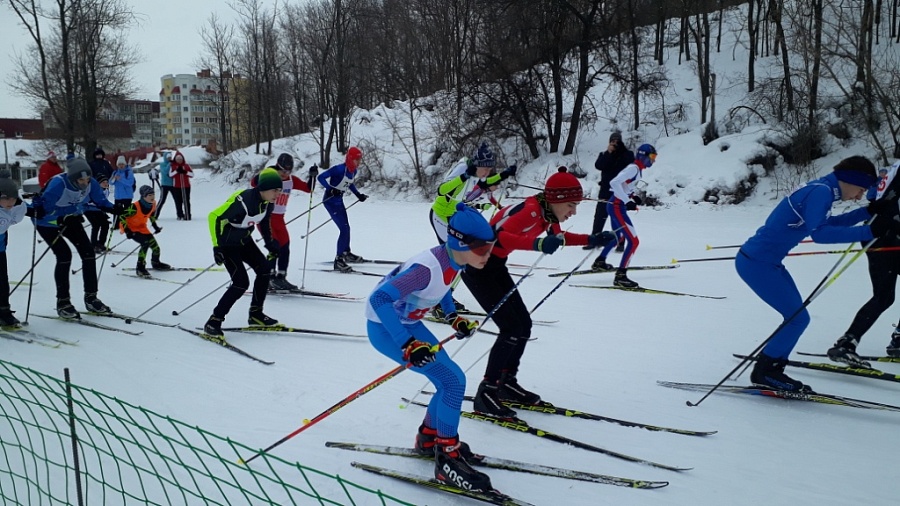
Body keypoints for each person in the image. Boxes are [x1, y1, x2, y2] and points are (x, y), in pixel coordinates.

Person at [462, 168, 614, 418]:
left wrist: (592, 238)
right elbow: (501, 237)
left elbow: (559, 237)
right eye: (572, 205)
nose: (573, 211)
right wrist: (538, 244)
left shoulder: (547, 212)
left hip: (494, 265)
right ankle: (486, 392)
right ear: (556, 199)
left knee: (523, 324)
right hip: (476, 267)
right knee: (510, 328)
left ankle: (506, 382)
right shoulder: (531, 210)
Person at [366, 203, 494, 492]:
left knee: (447, 380)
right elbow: (379, 300)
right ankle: (447, 458)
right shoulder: (426, 269)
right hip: (387, 328)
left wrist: (452, 317)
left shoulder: (455, 260)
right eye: (482, 249)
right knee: (453, 380)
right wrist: (408, 344)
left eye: (490, 248)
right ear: (461, 243)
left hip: (408, 323)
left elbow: (444, 289)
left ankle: (429, 438)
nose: (487, 254)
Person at [736, 156, 884, 392]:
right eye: (861, 189)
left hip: (765, 262)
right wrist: (869, 231)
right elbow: (820, 234)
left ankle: (770, 369)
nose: (859, 196)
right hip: (757, 264)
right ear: (850, 180)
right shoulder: (821, 192)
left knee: (796, 318)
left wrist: (866, 213)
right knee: (797, 319)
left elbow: (828, 223)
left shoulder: (822, 189)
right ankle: (766, 372)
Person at [827, 160, 900, 367]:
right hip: (883, 235)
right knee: (884, 296)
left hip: (885, 232)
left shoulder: (896, 167)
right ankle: (846, 344)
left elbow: (873, 194)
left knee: (884, 296)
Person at [429, 142, 516, 316]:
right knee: (457, 259)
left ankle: (440, 296)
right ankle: (439, 301)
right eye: (485, 169)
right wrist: (464, 177)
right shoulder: (463, 168)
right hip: (441, 217)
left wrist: (503, 175)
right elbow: (441, 190)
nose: (486, 173)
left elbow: (483, 185)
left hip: (455, 218)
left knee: (461, 258)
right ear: (477, 165)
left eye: (489, 170)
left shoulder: (475, 171)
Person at [32, 158, 119, 319]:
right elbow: (43, 211)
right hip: (47, 223)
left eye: (87, 179)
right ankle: (63, 302)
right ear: (72, 178)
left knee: (88, 253)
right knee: (64, 255)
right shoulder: (58, 185)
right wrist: (62, 217)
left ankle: (91, 297)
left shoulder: (91, 183)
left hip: (71, 218)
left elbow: (99, 200)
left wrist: (113, 208)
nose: (85, 183)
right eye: (81, 180)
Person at [203, 168, 283, 337]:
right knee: (240, 283)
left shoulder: (268, 203)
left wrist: (269, 244)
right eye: (275, 190)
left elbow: (264, 222)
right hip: (227, 244)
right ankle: (214, 321)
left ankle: (256, 314)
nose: (278, 193)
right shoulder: (244, 201)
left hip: (244, 240)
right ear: (263, 188)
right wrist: (216, 246)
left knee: (264, 270)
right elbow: (214, 217)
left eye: (280, 189)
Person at [591, 143, 657, 288]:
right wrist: (627, 201)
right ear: (643, 156)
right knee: (634, 242)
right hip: (616, 207)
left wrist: (633, 196)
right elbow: (614, 183)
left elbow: (625, 186)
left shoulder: (637, 169)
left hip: (616, 205)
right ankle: (621, 276)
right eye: (651, 157)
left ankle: (600, 262)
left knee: (618, 237)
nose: (653, 160)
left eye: (654, 157)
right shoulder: (633, 168)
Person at [250, 153, 317, 291]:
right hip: (265, 218)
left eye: (289, 171)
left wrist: (313, 176)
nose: (285, 174)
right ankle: (269, 278)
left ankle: (281, 277)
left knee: (285, 246)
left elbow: (308, 188)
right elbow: (253, 182)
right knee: (274, 246)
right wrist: (267, 172)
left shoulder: (291, 180)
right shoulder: (270, 176)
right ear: (277, 167)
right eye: (283, 171)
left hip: (279, 219)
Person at [316, 146, 369, 272]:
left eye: (360, 159)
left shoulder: (353, 171)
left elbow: (349, 183)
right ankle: (338, 260)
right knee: (344, 229)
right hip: (330, 201)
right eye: (357, 159)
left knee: (347, 228)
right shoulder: (339, 169)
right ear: (350, 158)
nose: (359, 162)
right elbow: (321, 177)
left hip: (339, 201)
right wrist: (330, 189)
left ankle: (346, 252)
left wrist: (358, 195)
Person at [590, 132, 635, 252]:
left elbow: (630, 164)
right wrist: (609, 153)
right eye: (612, 141)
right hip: (605, 190)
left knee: (618, 216)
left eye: (617, 141)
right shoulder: (604, 154)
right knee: (599, 216)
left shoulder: (627, 154)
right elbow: (599, 165)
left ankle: (620, 242)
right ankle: (594, 239)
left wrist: (620, 151)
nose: (614, 144)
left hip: (619, 191)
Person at [118, 185, 171, 277]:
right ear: (143, 196)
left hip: (142, 228)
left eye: (153, 194)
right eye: (149, 195)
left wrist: (155, 227)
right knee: (145, 244)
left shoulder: (153, 204)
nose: (152, 197)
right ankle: (140, 267)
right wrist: (127, 231)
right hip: (131, 228)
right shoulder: (134, 207)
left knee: (155, 247)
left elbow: (151, 216)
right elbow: (122, 217)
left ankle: (156, 262)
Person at [0, 173, 27, 327]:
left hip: (0, 248)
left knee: (3, 281)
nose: (11, 202)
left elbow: (27, 208)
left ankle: (4, 311)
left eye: (14, 198)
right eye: (7, 198)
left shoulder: (15, 206)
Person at [83, 173, 112, 254]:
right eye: (103, 182)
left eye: (106, 182)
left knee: (105, 224)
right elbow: (86, 201)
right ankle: (94, 244)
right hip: (88, 209)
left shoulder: (106, 191)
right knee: (96, 225)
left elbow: (104, 202)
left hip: (98, 210)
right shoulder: (92, 191)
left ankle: (101, 243)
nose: (106, 184)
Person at [168, 151, 193, 220]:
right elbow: (170, 175)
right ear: (175, 160)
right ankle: (180, 215)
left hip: (186, 186)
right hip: (176, 186)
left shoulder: (186, 166)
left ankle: (188, 215)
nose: (179, 160)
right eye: (178, 159)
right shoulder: (173, 166)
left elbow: (192, 175)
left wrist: (185, 172)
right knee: (178, 201)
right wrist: (177, 171)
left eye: (180, 159)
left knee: (186, 201)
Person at [154, 152, 174, 219]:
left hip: (173, 185)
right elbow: (165, 171)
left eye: (170, 158)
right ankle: (155, 215)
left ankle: (180, 214)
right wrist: (169, 164)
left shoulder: (173, 164)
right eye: (168, 158)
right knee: (162, 200)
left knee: (177, 200)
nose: (169, 159)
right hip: (164, 185)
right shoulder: (162, 164)